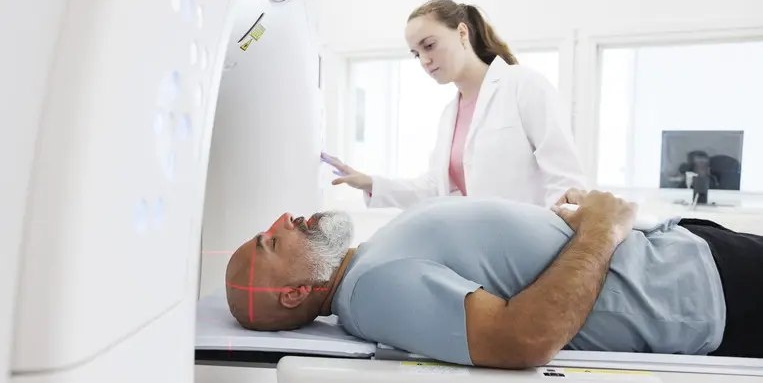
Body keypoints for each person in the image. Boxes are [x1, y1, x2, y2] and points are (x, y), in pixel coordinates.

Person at [224, 189, 763, 369]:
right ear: (295, 293)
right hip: (706, 291)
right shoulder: (371, 291)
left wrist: (567, 223)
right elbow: (522, 339)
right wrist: (601, 228)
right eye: (271, 242)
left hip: (689, 253)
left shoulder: (371, 258)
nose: (284, 221)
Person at [323, 0, 586, 210]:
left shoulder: (523, 84)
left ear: (462, 32)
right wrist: (370, 183)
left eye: (429, 45)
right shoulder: (450, 114)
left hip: (531, 244)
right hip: (478, 246)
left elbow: (565, 181)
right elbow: (434, 188)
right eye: (416, 54)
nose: (424, 60)